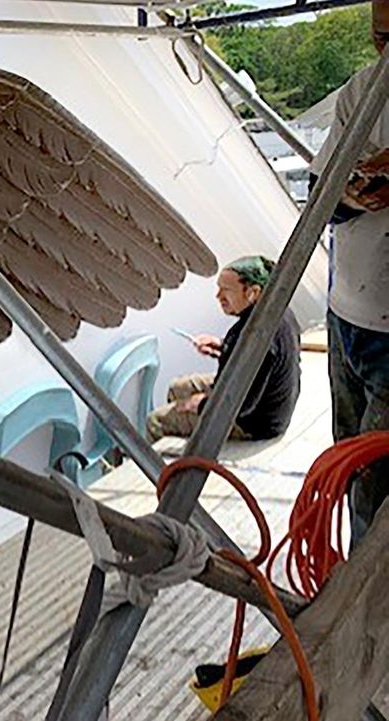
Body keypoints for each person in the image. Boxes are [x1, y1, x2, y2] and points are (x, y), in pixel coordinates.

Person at [310, 0, 389, 543]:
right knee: (347, 464)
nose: (385, 50)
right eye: (378, 35)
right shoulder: (362, 90)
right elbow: (321, 194)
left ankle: (370, 610)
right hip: (347, 319)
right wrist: (355, 193)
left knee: (377, 489)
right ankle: (350, 598)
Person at [146, 256, 301, 442]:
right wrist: (222, 347)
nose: (218, 296)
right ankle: (191, 436)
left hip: (255, 423)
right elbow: (252, 363)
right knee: (177, 388)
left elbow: (241, 405)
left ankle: (171, 462)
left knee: (155, 421)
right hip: (270, 407)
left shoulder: (255, 336)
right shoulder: (278, 312)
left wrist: (202, 404)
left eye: (226, 290)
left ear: (253, 292)